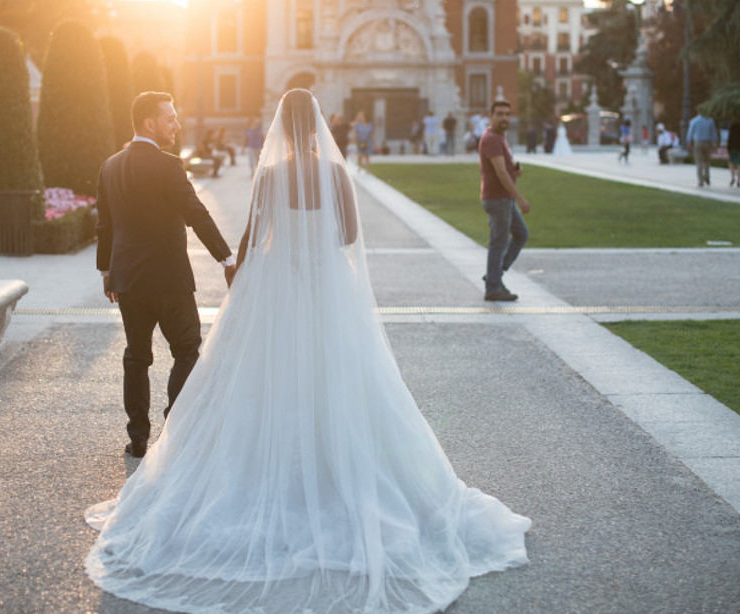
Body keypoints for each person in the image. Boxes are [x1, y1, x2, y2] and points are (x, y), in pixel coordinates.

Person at [85, 89, 530, 614]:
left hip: (277, 286)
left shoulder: (271, 175)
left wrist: (239, 268)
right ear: (317, 125)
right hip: (324, 285)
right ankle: (332, 466)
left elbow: (254, 234)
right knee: (338, 378)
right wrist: (312, 245)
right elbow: (348, 236)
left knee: (264, 381)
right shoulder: (336, 174)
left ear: (279, 126)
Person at [94, 91, 237, 459]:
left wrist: (106, 270)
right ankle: (173, 427)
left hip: (127, 281)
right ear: (149, 123)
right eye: (170, 118)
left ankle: (138, 438)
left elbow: (104, 226)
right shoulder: (168, 165)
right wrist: (226, 259)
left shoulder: (109, 166)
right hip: (170, 280)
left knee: (136, 357)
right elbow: (196, 212)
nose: (176, 124)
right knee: (187, 350)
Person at [479, 99, 530, 302]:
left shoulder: (500, 137)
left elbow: (505, 169)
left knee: (520, 234)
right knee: (498, 243)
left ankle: (494, 274)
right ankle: (493, 287)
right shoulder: (491, 138)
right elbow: (500, 172)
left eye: (507, 114)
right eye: (499, 114)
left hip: (503, 198)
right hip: (498, 198)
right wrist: (520, 198)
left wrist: (515, 172)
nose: (504, 117)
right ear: (491, 116)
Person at [687, 109, 719, 186]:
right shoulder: (710, 120)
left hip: (698, 143)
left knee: (699, 162)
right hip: (708, 142)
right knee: (707, 161)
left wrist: (689, 142)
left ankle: (700, 181)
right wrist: (715, 142)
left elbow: (690, 133)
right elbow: (714, 133)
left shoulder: (694, 121)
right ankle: (707, 177)